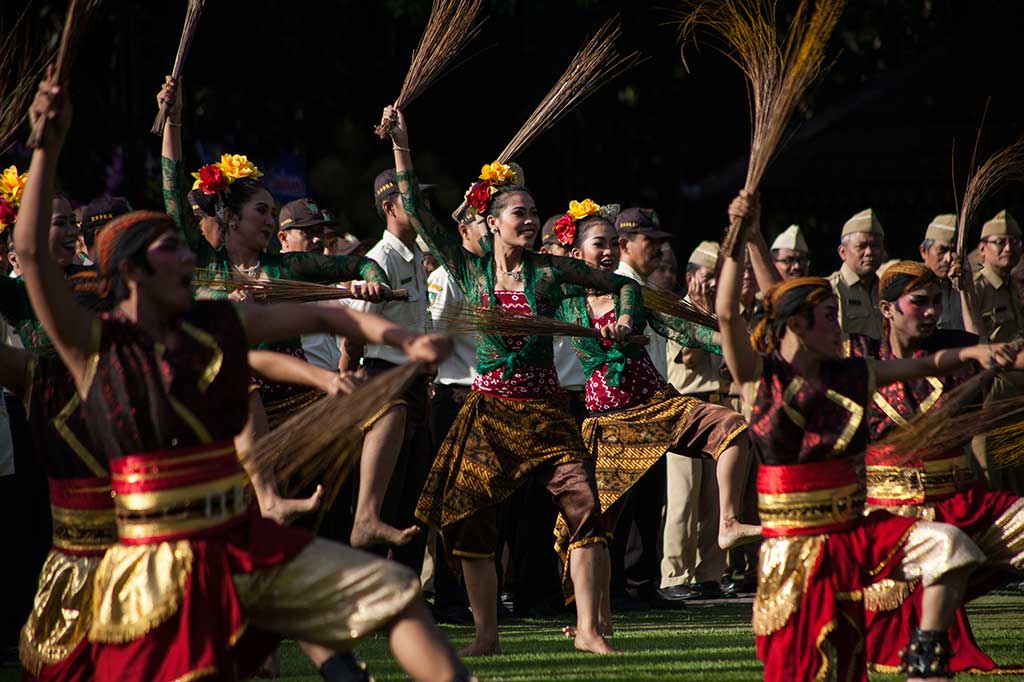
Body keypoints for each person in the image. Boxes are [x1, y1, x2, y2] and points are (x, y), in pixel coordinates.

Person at [16, 72, 470, 682]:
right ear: (129, 277)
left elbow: (320, 311)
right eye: (168, 254)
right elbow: (34, 256)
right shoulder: (90, 345)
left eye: (182, 250)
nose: (186, 259)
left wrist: (404, 337)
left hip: (235, 534)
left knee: (394, 589)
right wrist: (47, 147)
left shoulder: (210, 323)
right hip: (156, 560)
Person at [716, 189, 1021, 681]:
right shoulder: (760, 379)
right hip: (794, 548)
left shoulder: (853, 373)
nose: (839, 325)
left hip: (854, 532)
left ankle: (926, 659)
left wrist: (973, 355)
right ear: (797, 324)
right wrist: (740, 241)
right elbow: (730, 315)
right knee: (812, 668)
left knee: (950, 547)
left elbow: (924, 362)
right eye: (828, 318)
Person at [385, 105, 628, 656]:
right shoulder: (467, 271)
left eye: (534, 212)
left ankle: (589, 631)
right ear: (491, 222)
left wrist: (629, 315)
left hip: (546, 411)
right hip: (489, 411)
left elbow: (615, 282)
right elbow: (421, 216)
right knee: (470, 522)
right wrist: (402, 147)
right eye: (518, 212)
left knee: (585, 506)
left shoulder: (548, 270)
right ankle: (486, 635)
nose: (530, 220)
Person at [550, 200, 754, 625]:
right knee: (589, 530)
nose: (607, 252)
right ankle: (593, 617)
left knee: (732, 426)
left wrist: (740, 346)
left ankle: (729, 521)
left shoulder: (632, 293)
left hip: (658, 406)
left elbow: (690, 330)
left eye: (612, 244)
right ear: (576, 254)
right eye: (598, 245)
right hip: (608, 425)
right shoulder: (564, 302)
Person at [846, 261, 1024, 673]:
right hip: (889, 517)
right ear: (887, 309)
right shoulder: (859, 354)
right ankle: (927, 656)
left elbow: (1011, 358)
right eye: (918, 303)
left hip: (964, 503)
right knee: (943, 548)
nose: (930, 312)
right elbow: (782, 323)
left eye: (936, 302)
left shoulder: (961, 346)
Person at [339, 168, 433, 563]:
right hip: (385, 379)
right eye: (414, 200)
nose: (423, 207)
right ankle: (372, 595)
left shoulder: (413, 256)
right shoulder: (380, 259)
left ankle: (405, 596)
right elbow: (354, 331)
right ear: (390, 206)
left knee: (413, 491)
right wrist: (348, 378)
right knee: (385, 490)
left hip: (413, 381)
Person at [659, 241, 749, 602]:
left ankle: (710, 572)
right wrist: (704, 316)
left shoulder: (721, 313)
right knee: (682, 497)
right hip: (685, 407)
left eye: (718, 278)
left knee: (715, 500)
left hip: (718, 407)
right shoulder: (677, 311)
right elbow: (689, 354)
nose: (713, 285)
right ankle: (674, 575)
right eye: (707, 277)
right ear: (690, 277)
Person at [829, 208, 885, 339]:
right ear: (842, 252)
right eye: (861, 246)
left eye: (875, 245)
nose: (869, 252)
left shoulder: (888, 290)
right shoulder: (831, 289)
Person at [974, 209, 1024, 342]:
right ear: (982, 249)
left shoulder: (1013, 285)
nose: (1008, 249)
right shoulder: (976, 288)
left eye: (1014, 242)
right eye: (1000, 242)